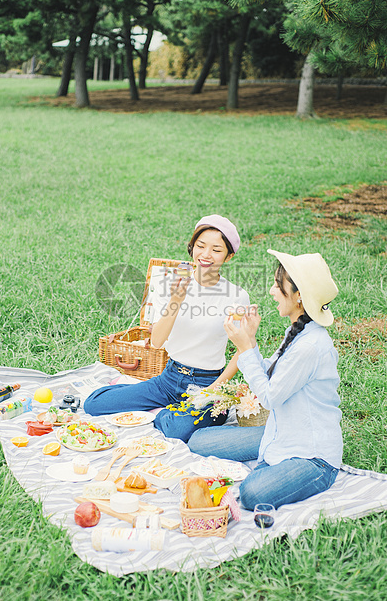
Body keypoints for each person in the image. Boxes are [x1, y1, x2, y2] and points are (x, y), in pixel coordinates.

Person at [188, 249, 342, 510]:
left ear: (298, 297)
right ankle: (268, 459)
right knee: (198, 441)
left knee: (252, 493)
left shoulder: (311, 346)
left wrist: (245, 349)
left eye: (277, 285)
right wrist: (250, 340)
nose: (271, 291)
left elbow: (269, 397)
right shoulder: (297, 332)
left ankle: (270, 468)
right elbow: (269, 373)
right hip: (281, 433)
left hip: (312, 457)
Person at [84, 214, 250, 442]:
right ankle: (160, 405)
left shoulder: (237, 296)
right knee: (93, 404)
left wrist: (214, 389)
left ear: (229, 256)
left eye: (216, 250)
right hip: (169, 378)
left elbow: (244, 348)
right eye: (201, 246)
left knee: (178, 431)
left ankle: (161, 413)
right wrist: (176, 300)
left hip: (206, 382)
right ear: (192, 248)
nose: (206, 255)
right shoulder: (171, 285)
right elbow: (157, 342)